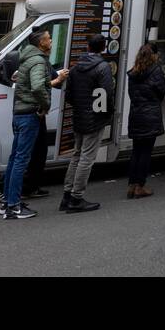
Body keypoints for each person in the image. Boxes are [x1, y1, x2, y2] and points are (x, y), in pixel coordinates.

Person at [0, 28, 61, 221]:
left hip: (19, 113)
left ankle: (7, 202)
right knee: (21, 161)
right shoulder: (38, 61)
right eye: (49, 38)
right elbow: (37, 86)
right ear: (41, 43)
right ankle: (13, 207)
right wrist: (45, 105)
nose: (51, 41)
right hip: (29, 114)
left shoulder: (26, 58)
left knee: (14, 158)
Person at [60, 34, 113, 214]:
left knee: (76, 154)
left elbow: (69, 95)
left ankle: (67, 195)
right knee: (86, 158)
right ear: (103, 48)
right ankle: (77, 197)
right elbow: (106, 93)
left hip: (78, 116)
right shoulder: (102, 67)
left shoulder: (75, 68)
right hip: (95, 118)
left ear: (88, 47)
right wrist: (106, 114)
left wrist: (81, 107)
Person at [126, 41, 165, 198]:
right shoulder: (156, 71)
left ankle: (131, 184)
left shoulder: (133, 73)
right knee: (146, 152)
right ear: (153, 56)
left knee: (136, 151)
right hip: (150, 115)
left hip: (136, 115)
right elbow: (161, 91)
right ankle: (140, 185)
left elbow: (131, 95)